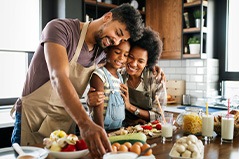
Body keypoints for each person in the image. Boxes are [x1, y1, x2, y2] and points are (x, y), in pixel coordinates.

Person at [10, 3, 144, 158]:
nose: (116, 41)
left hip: (65, 122)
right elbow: (58, 76)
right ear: (108, 17)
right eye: (117, 32)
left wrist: (153, 69)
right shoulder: (60, 29)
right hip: (34, 119)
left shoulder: (102, 52)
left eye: (122, 39)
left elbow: (122, 65)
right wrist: (86, 123)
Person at [88, 27, 167, 127]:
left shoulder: (156, 80)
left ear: (148, 63)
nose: (133, 64)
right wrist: (90, 101)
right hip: (124, 128)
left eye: (140, 61)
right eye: (130, 56)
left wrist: (130, 107)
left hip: (149, 129)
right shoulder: (119, 74)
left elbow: (159, 115)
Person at [90, 41, 130, 131]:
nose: (121, 58)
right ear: (107, 50)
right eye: (117, 52)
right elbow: (98, 108)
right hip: (102, 129)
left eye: (125, 55)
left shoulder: (120, 77)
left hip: (117, 129)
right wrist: (101, 132)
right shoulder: (99, 75)